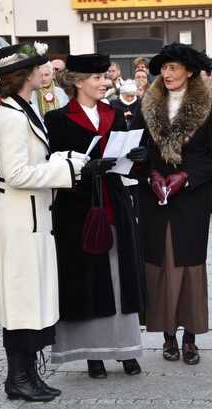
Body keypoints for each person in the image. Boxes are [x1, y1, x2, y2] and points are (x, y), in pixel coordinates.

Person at [0, 42, 87, 402]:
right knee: (20, 302)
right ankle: (18, 378)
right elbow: (14, 173)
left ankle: (27, 375)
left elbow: (34, 158)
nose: (46, 72)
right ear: (25, 75)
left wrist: (62, 158)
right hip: (20, 218)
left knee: (32, 299)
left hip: (35, 216)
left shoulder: (24, 109)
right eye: (39, 67)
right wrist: (64, 170)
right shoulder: (11, 117)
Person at [45, 53, 146, 379]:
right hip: (77, 208)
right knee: (86, 278)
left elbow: (123, 159)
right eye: (97, 78)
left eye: (105, 77)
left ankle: (126, 349)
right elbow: (52, 164)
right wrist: (86, 169)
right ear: (77, 81)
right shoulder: (58, 119)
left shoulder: (114, 114)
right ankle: (92, 355)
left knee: (119, 276)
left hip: (114, 201)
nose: (105, 83)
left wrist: (137, 157)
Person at [131, 43, 212, 365]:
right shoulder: (145, 106)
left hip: (191, 200)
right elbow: (135, 151)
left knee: (189, 266)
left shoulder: (209, 108)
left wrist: (187, 176)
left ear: (189, 71)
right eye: (164, 68)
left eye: (173, 68)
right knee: (159, 265)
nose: (167, 74)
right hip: (154, 198)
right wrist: (149, 174)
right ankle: (167, 334)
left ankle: (190, 337)